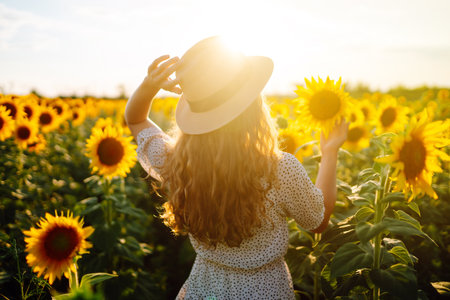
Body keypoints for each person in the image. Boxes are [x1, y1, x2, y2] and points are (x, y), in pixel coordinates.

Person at [125, 36, 348, 299]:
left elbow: (136, 120)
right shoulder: (279, 170)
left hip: (204, 288)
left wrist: (149, 86)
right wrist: (330, 152)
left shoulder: (178, 164)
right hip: (266, 290)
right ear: (254, 109)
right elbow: (318, 220)